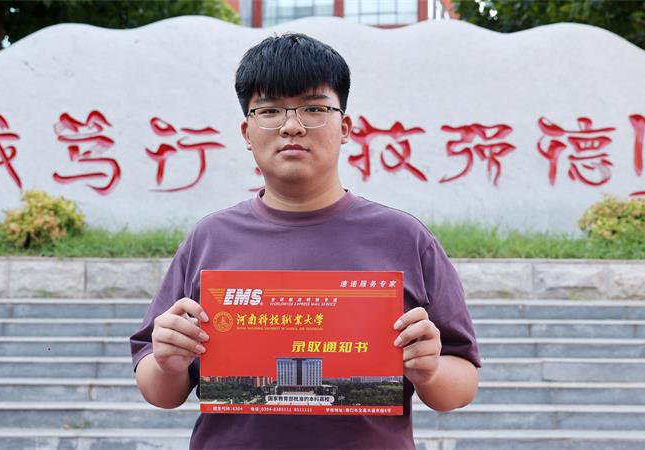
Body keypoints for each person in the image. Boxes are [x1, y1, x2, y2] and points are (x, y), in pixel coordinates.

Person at [130, 32, 480, 450]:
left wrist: (430, 371)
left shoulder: (404, 237)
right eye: (270, 110)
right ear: (246, 131)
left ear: (345, 127)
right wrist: (169, 363)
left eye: (314, 108)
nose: (292, 126)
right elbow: (159, 389)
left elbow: (461, 383)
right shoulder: (210, 238)